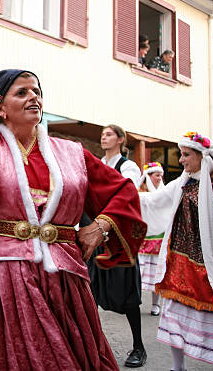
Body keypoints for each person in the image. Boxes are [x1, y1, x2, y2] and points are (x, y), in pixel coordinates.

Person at [0, 24, 146, 370]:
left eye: (37, 91)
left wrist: (101, 226)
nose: (33, 96)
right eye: (21, 92)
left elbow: (123, 190)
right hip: (4, 279)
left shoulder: (72, 153)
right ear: (0, 108)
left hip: (65, 279)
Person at [139, 132, 213, 371]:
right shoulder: (180, 185)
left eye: (186, 155)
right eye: (180, 155)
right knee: (175, 313)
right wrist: (123, 193)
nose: (181, 160)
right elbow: (154, 201)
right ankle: (177, 366)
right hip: (179, 261)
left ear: (204, 157)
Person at [89, 124, 147, 367]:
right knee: (89, 291)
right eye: (102, 134)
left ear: (121, 140)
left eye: (109, 134)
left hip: (119, 239)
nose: (104, 137)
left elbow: (126, 195)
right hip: (97, 236)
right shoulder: (98, 164)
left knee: (128, 296)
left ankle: (139, 347)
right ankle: (91, 345)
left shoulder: (129, 167)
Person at [137, 162, 165, 316]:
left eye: (161, 175)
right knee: (138, 274)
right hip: (142, 239)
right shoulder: (139, 192)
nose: (159, 178)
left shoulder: (164, 193)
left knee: (156, 273)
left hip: (158, 240)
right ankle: (135, 302)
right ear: (148, 176)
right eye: (156, 175)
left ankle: (156, 304)